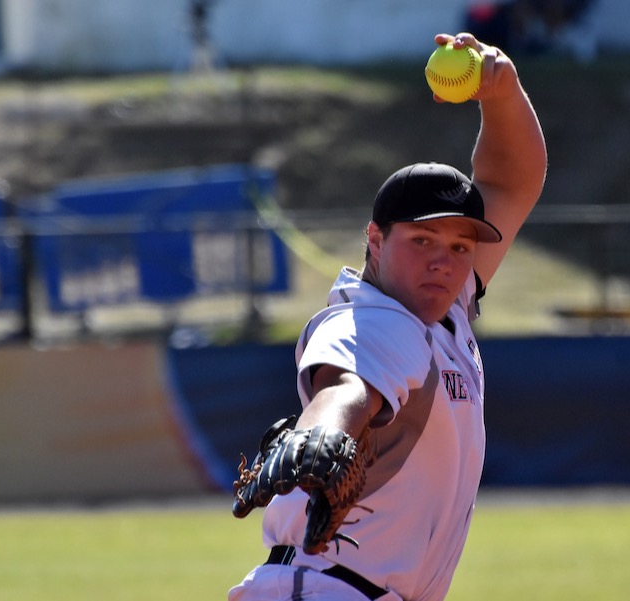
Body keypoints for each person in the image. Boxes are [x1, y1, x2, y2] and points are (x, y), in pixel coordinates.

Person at [228, 31, 547, 601]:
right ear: (375, 239)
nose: (443, 262)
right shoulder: (377, 322)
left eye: (459, 246)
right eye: (422, 240)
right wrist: (325, 435)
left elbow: (511, 182)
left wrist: (502, 92)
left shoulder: (445, 309)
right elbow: (348, 386)